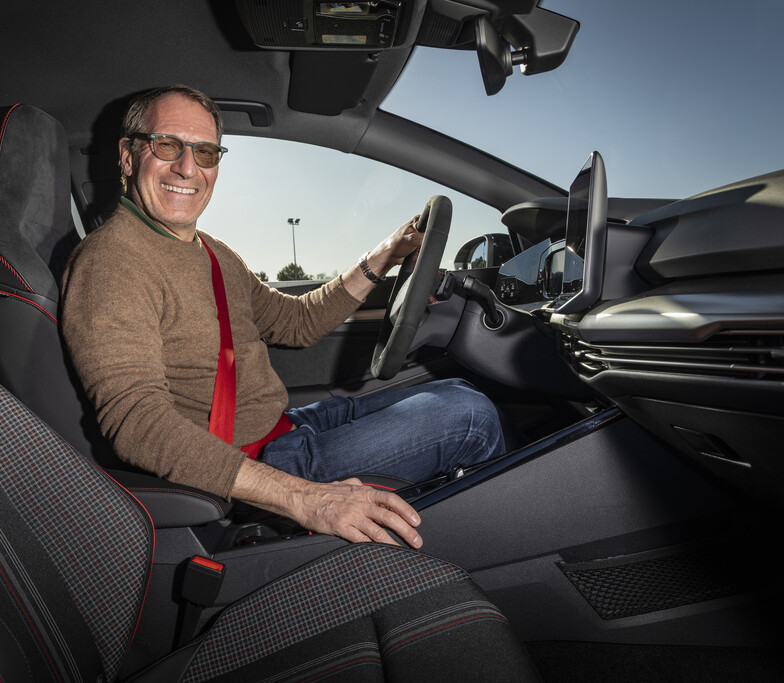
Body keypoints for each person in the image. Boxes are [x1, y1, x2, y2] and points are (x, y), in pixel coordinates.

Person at [61, 85, 505, 547]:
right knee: (470, 417)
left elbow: (296, 322)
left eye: (205, 152)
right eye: (167, 145)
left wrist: (383, 257)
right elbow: (137, 421)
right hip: (248, 472)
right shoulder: (111, 263)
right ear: (128, 156)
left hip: (286, 427)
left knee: (459, 390)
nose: (188, 168)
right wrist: (305, 498)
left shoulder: (211, 251)